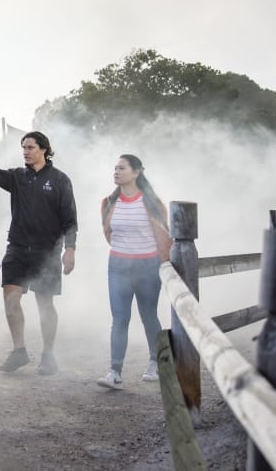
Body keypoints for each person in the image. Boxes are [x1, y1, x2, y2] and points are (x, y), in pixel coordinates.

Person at [0, 131, 77, 375]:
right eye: (23, 147)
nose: (26, 152)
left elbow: (70, 219)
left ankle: (48, 355)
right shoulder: (17, 177)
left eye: (30, 147)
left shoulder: (60, 180)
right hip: (17, 247)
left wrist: (70, 249)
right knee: (10, 298)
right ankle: (19, 350)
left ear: (43, 149)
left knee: (45, 303)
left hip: (47, 251)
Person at [96, 154, 171, 390]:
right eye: (115, 168)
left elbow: (164, 234)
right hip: (118, 266)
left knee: (149, 315)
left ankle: (155, 363)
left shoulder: (152, 202)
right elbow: (109, 232)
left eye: (122, 168)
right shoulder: (109, 202)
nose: (116, 172)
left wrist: (161, 261)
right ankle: (114, 372)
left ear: (136, 172)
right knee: (119, 318)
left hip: (147, 266)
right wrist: (123, 252)